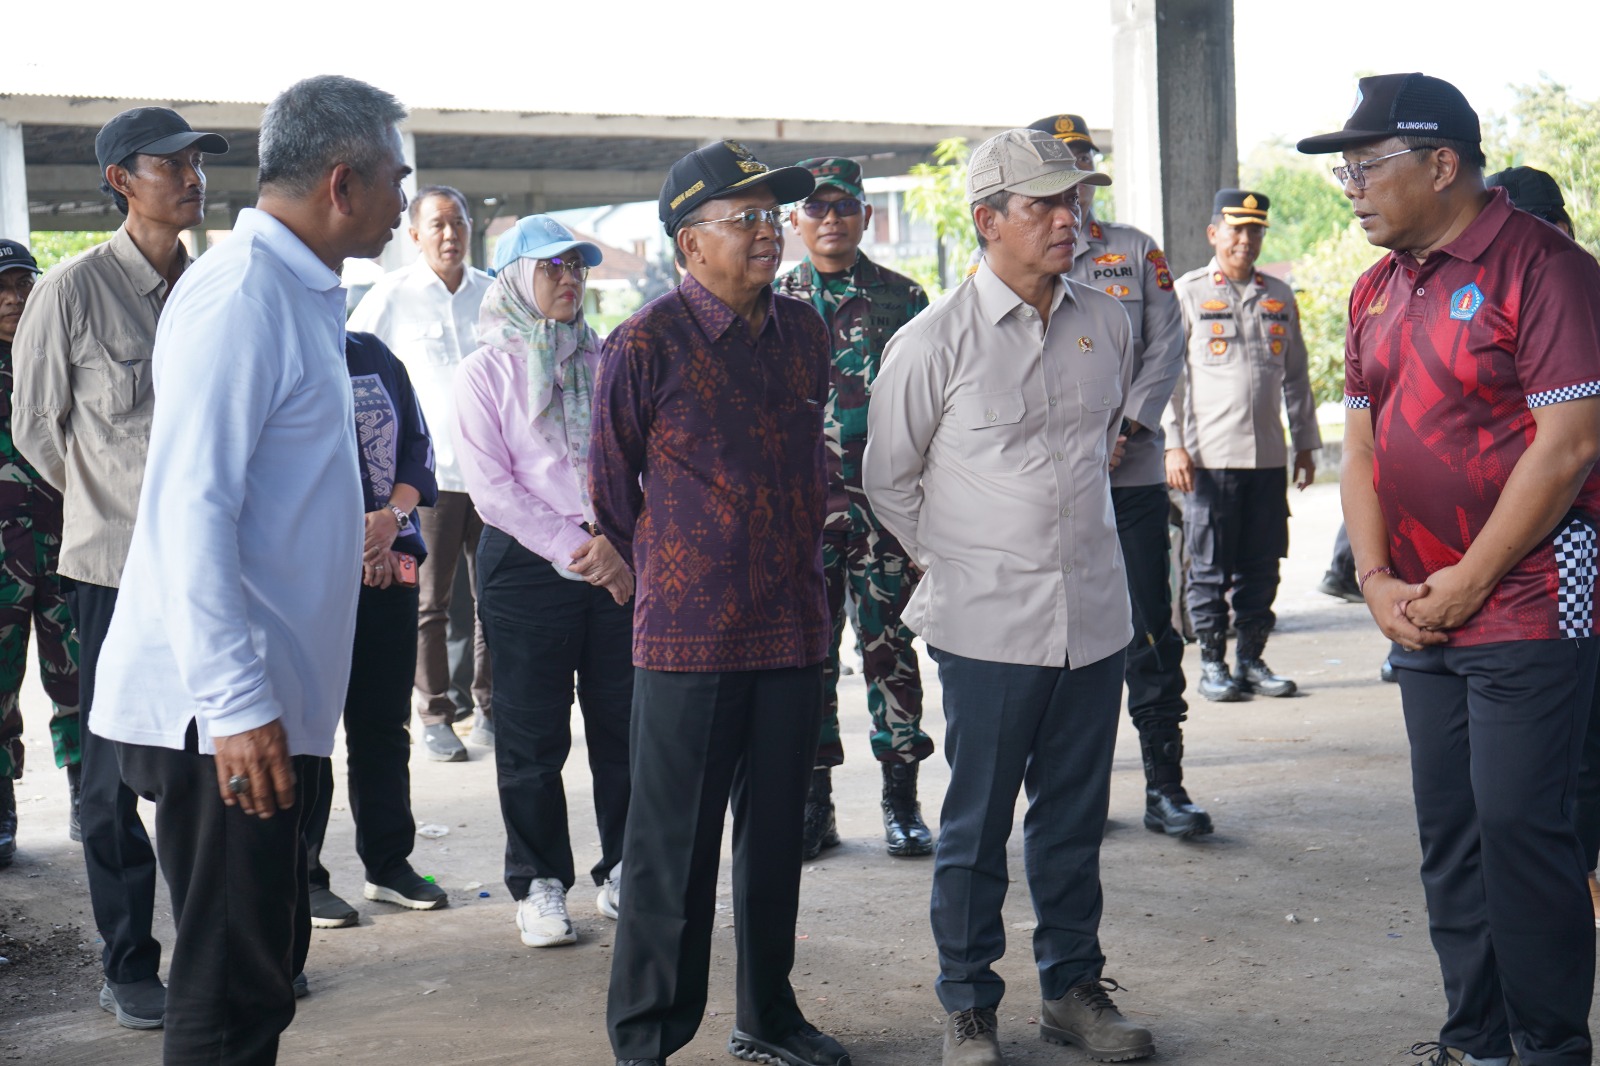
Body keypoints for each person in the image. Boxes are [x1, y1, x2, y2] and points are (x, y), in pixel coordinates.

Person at [87, 74, 409, 1063]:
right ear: (343, 183)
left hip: (266, 705)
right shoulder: (242, 295)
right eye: (397, 180)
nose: (405, 201)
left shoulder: (297, 290)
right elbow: (191, 509)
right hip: (220, 715)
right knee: (228, 996)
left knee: (262, 975)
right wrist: (233, 702)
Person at [1299, 73, 1600, 1066]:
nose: (1348, 183)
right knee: (1454, 836)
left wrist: (1470, 577)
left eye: (1365, 163)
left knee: (1525, 829)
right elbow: (1362, 447)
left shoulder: (1542, 266)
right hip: (1420, 607)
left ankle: (1546, 1045)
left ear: (1439, 163)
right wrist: (1378, 579)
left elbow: (1566, 447)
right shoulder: (1373, 289)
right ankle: (1474, 1040)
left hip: (1527, 599)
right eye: (1343, 166)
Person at [865, 127, 1153, 1066]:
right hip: (988, 626)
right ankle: (968, 1003)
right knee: (977, 823)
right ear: (989, 221)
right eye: (1046, 205)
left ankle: (1073, 990)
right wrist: (959, 563)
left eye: (1074, 202)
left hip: (1096, 619)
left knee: (1071, 820)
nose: (1070, 220)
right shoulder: (931, 341)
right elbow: (888, 481)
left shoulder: (1104, 320)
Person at [592, 140, 849, 1066]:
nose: (767, 234)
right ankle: (646, 1039)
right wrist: (660, 575)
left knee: (777, 842)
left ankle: (767, 1016)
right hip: (689, 641)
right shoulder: (645, 343)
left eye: (770, 217)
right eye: (745, 219)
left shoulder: (805, 334)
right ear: (688, 241)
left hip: (792, 626)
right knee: (672, 855)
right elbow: (611, 493)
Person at [11, 106, 230, 1030]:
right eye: (169, 163)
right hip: (108, 579)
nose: (193, 176)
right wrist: (115, 512)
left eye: (198, 162)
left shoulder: (219, 289)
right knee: (107, 785)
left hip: (211, 574)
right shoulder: (72, 293)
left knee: (210, 772)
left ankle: (224, 956)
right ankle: (129, 959)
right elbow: (36, 432)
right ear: (119, 181)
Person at [454, 215, 633, 948]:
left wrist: (615, 546)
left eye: (578, 269)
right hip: (529, 565)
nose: (569, 280)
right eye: (552, 268)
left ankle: (627, 866)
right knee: (530, 736)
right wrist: (576, 546)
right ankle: (539, 882)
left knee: (626, 728)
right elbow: (491, 489)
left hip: (614, 561)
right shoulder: (485, 371)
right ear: (516, 279)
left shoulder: (609, 360)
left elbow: (636, 461)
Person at [1028, 113, 1206, 839]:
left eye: (1082, 162)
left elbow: (1167, 345)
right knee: (1053, 637)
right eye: (1059, 166)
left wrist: (1128, 429)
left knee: (1148, 631)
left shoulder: (1133, 252)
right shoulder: (1016, 256)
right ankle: (1072, 794)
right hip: (1047, 488)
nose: (1074, 182)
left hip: (1127, 481)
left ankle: (1166, 785)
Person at [775, 156, 934, 860]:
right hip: (803, 518)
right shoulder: (770, 299)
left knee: (891, 653)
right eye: (816, 209)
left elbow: (934, 410)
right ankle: (815, 807)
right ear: (795, 222)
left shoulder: (906, 300)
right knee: (807, 658)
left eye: (843, 208)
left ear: (867, 215)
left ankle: (902, 803)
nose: (830, 220)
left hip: (886, 518)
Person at [300, 329, 445, 930]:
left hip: (389, 569)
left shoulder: (375, 354)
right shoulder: (285, 351)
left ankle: (389, 862)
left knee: (383, 724)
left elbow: (417, 448)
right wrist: (354, 543)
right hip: (310, 575)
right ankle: (302, 874)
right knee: (308, 732)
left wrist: (391, 519)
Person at [349, 184, 494, 762]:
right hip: (427, 484)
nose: (450, 235)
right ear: (414, 235)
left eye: (457, 223)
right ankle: (436, 712)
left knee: (494, 601)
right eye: (436, 225)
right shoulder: (389, 298)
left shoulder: (492, 295)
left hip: (493, 479)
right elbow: (354, 375)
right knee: (429, 604)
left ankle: (490, 707)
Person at [1163, 189, 1321, 702]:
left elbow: (1296, 378)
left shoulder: (1278, 294)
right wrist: (1173, 444)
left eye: (1255, 231)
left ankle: (1250, 660)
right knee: (1209, 568)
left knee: (1262, 565)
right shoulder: (1187, 293)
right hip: (1209, 458)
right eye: (1236, 230)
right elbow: (1168, 377)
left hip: (1268, 459)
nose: (1246, 240)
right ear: (1214, 234)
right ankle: (1212, 665)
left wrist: (1305, 444)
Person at [0, 239, 80, 868]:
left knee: (77, 677)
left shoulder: (56, 356)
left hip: (66, 546)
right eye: (1, 286)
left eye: (23, 283)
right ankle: (2, 804)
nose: (13, 296)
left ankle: (90, 793)